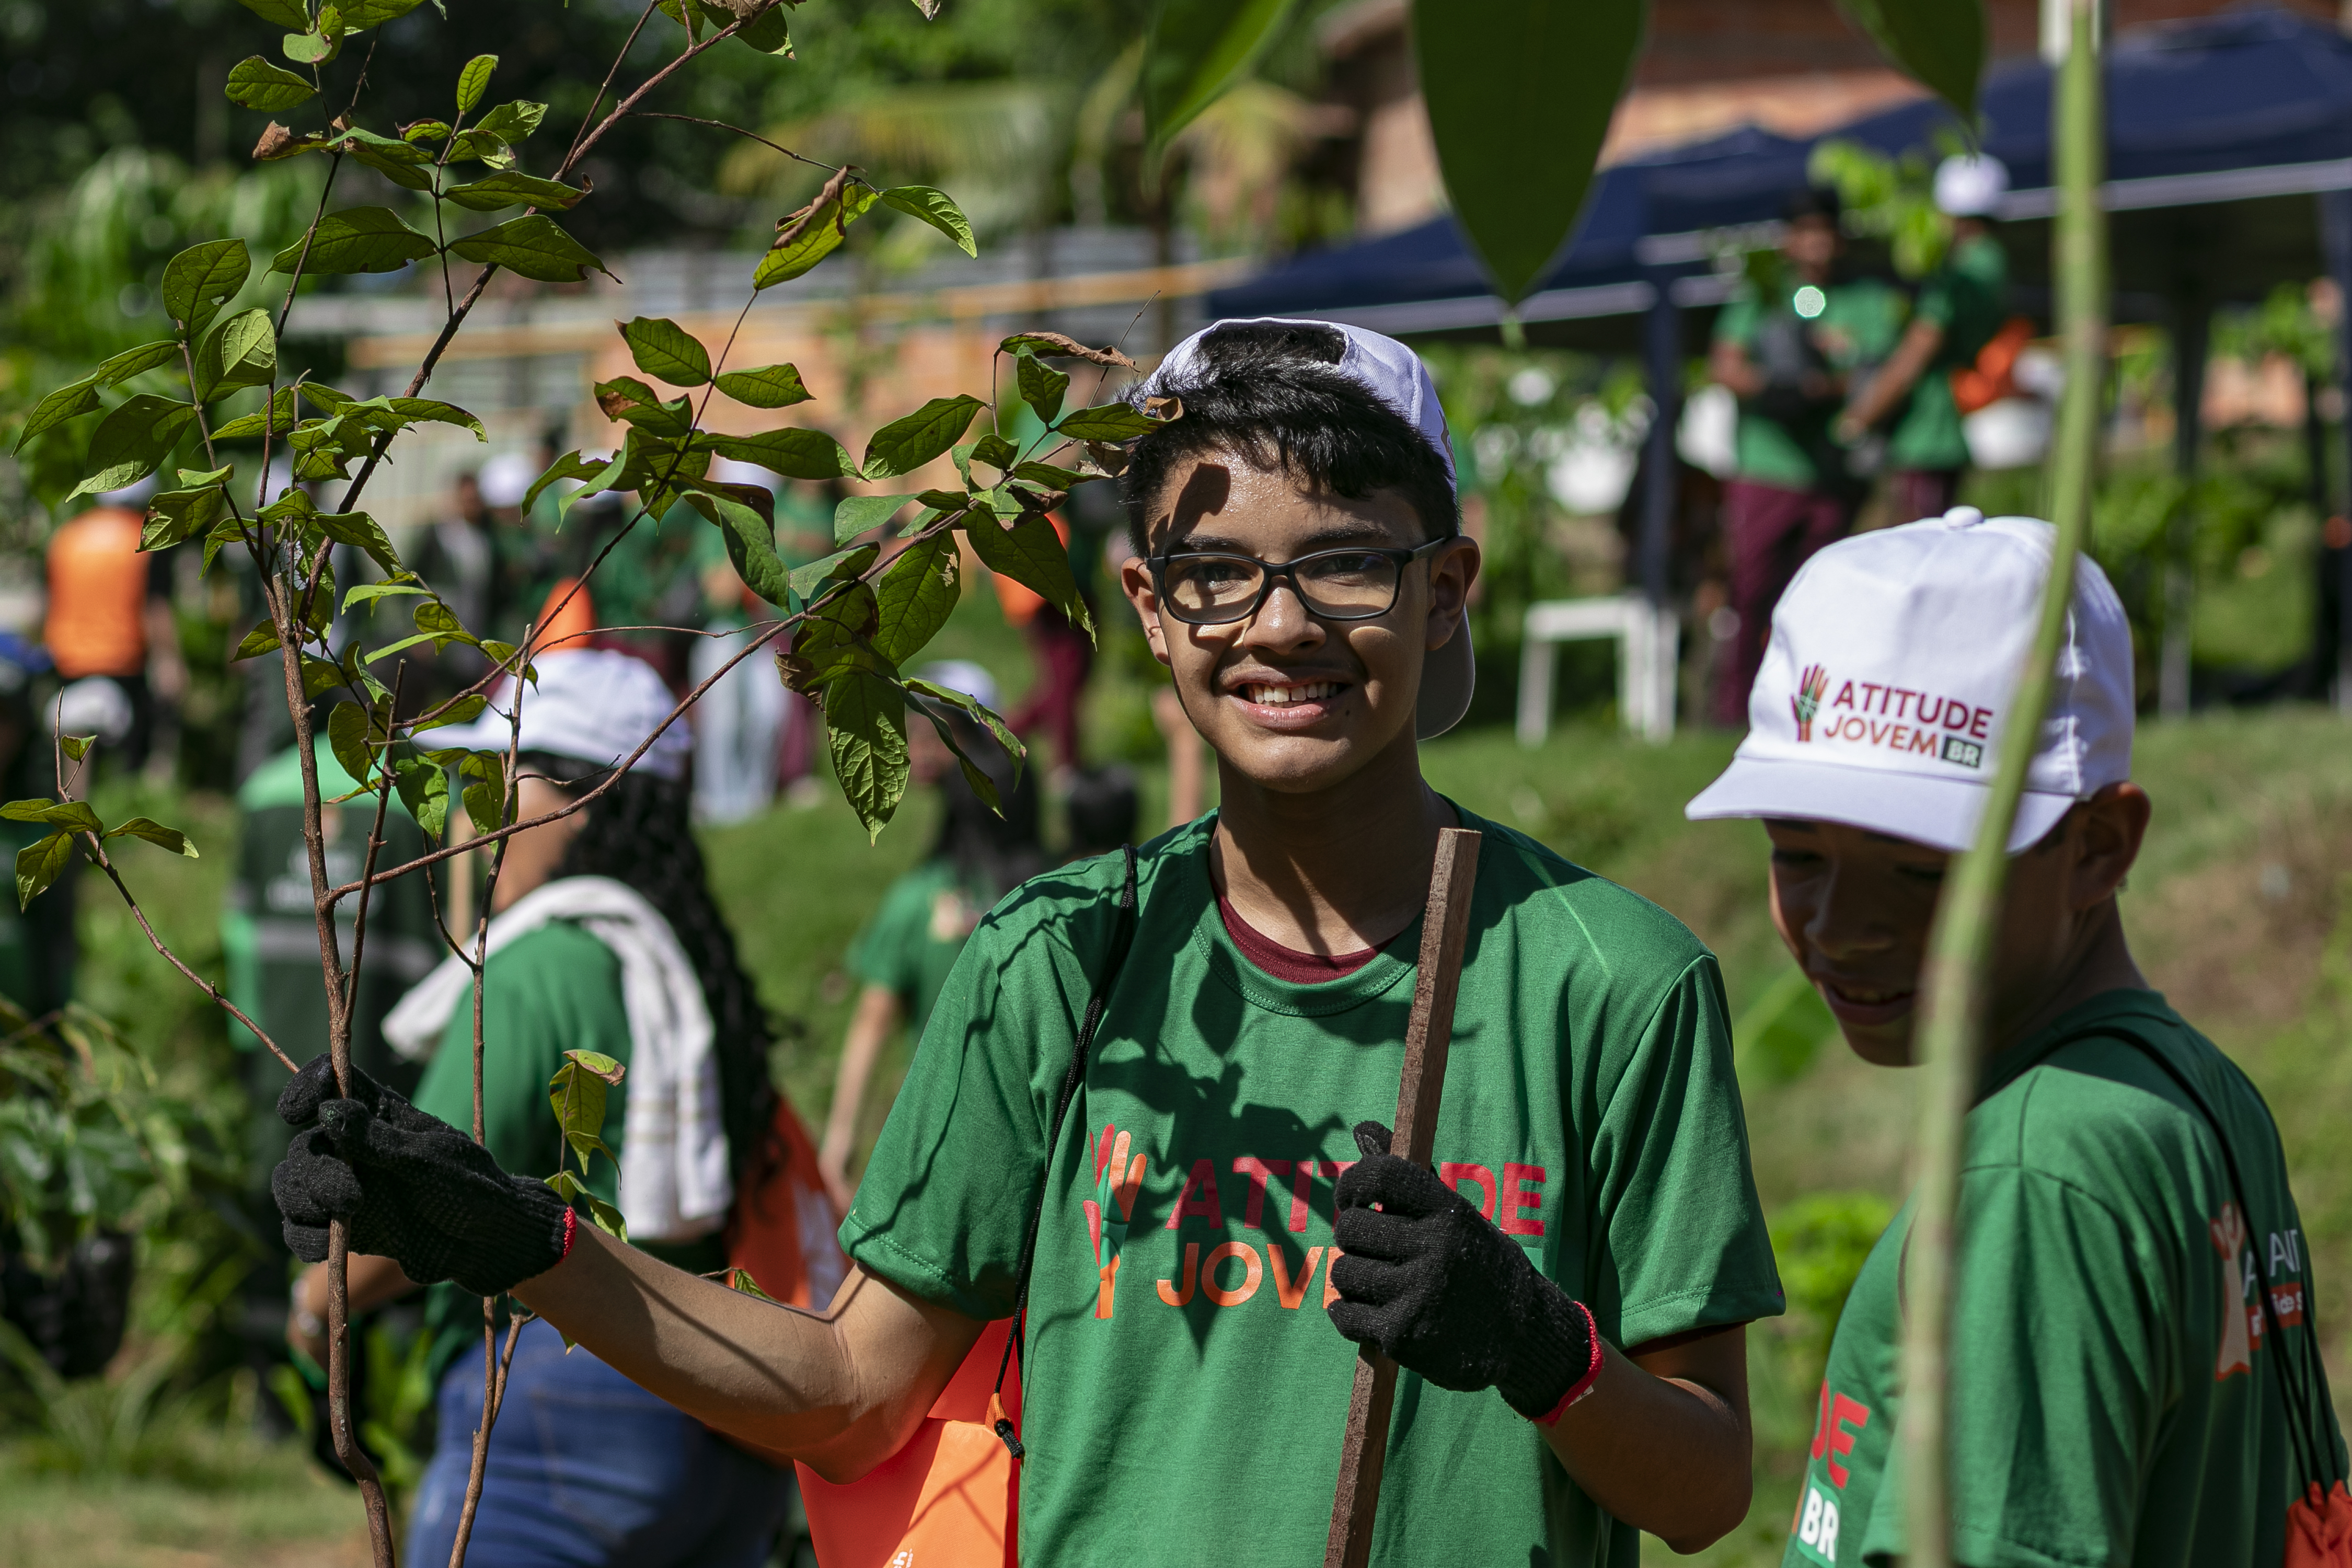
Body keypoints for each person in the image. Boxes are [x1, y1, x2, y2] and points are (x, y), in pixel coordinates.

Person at [270, 318, 1782, 1564]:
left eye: (1343, 563)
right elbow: (853, 1393)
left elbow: (1707, 1488)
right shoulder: (1059, 958)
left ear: (1442, 588)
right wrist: (525, 1246)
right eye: (1214, 573)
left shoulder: (1608, 978)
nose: (1276, 625)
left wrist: (1538, 1345)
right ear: (1147, 603)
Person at [1684, 508, 2348, 1565]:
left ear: (2099, 847)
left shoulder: (2033, 1175)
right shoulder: (2190, 1092)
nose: (1840, 927)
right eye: (1798, 854)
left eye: (1922, 871)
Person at [283, 649, 807, 1568]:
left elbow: (416, 1196)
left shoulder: (538, 969)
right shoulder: (684, 960)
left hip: (551, 1417)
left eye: (499, 784)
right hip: (714, 1403)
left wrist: (311, 1303)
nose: (473, 821)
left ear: (581, 797)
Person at [222, 723, 439, 1455]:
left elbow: (241, 936)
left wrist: (243, 1044)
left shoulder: (262, 794)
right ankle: (366, 1416)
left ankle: (277, 1411)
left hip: (276, 1059)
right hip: (383, 1072)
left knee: (275, 1213)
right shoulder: (413, 799)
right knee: (374, 1225)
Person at [816, 660, 1044, 1212]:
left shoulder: (916, 900)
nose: (919, 746)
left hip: (943, 1149)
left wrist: (840, 1140)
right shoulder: (1056, 893)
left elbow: (875, 1017)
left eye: (936, 732)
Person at [1707, 187, 1901, 725]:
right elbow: (1724, 364)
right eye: (1804, 231)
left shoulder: (1866, 300)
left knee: (1825, 601)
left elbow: (1875, 373)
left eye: (1824, 230)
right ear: (1788, 240)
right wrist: (1772, 389)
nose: (1815, 243)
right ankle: (1735, 713)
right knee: (1750, 595)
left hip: (1830, 473)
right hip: (1766, 470)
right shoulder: (1761, 298)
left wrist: (1828, 386)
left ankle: (1813, 714)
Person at [1834, 155, 2013, 524]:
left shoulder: (1961, 275)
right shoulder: (1993, 262)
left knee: (1922, 549)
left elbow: (1916, 352)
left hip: (1928, 436)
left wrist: (1856, 421)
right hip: (1940, 430)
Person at [43, 478, 187, 775]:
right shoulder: (146, 540)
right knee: (129, 762)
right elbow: (154, 608)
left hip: (66, 661)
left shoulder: (67, 537)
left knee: (74, 756)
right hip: (122, 661)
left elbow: (51, 599)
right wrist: (171, 660)